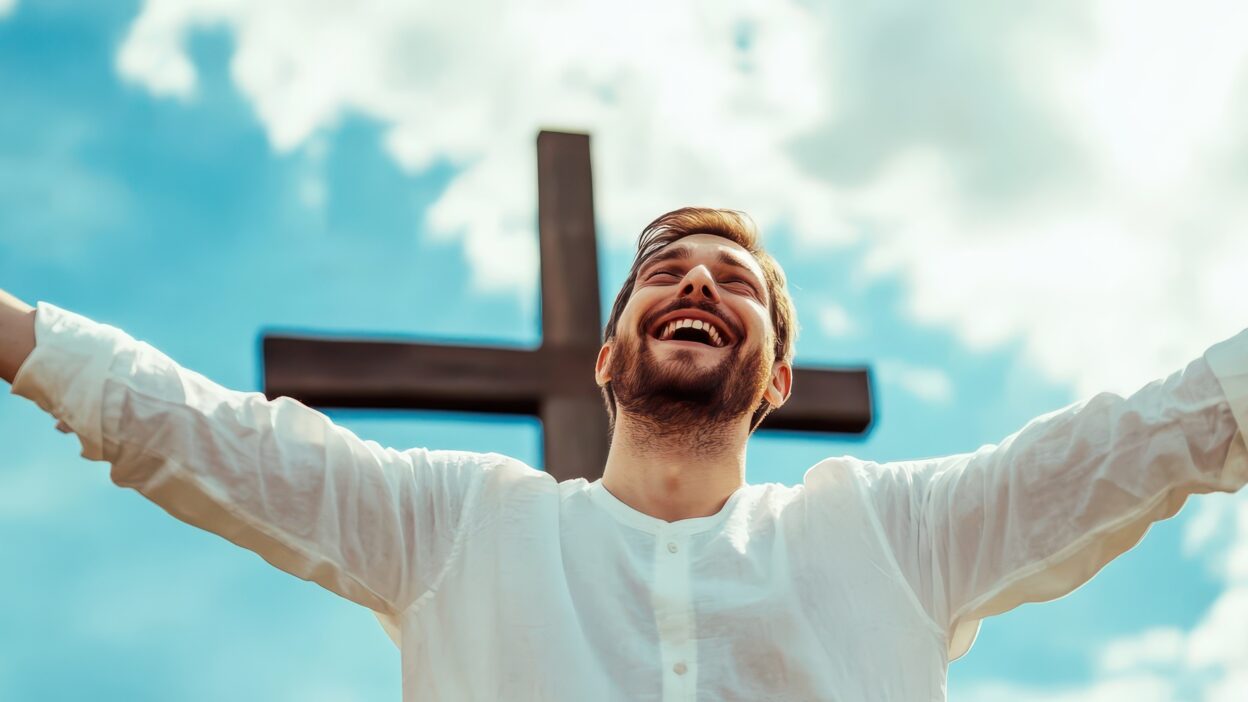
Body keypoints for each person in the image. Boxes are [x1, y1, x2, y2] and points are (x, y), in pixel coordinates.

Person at [2, 207, 1246, 701]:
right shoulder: (464, 534)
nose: (698, 282)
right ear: (610, 356)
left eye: (735, 285)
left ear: (775, 377)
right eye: (664, 272)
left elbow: (1151, 438)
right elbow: (211, 442)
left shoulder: (895, 535)